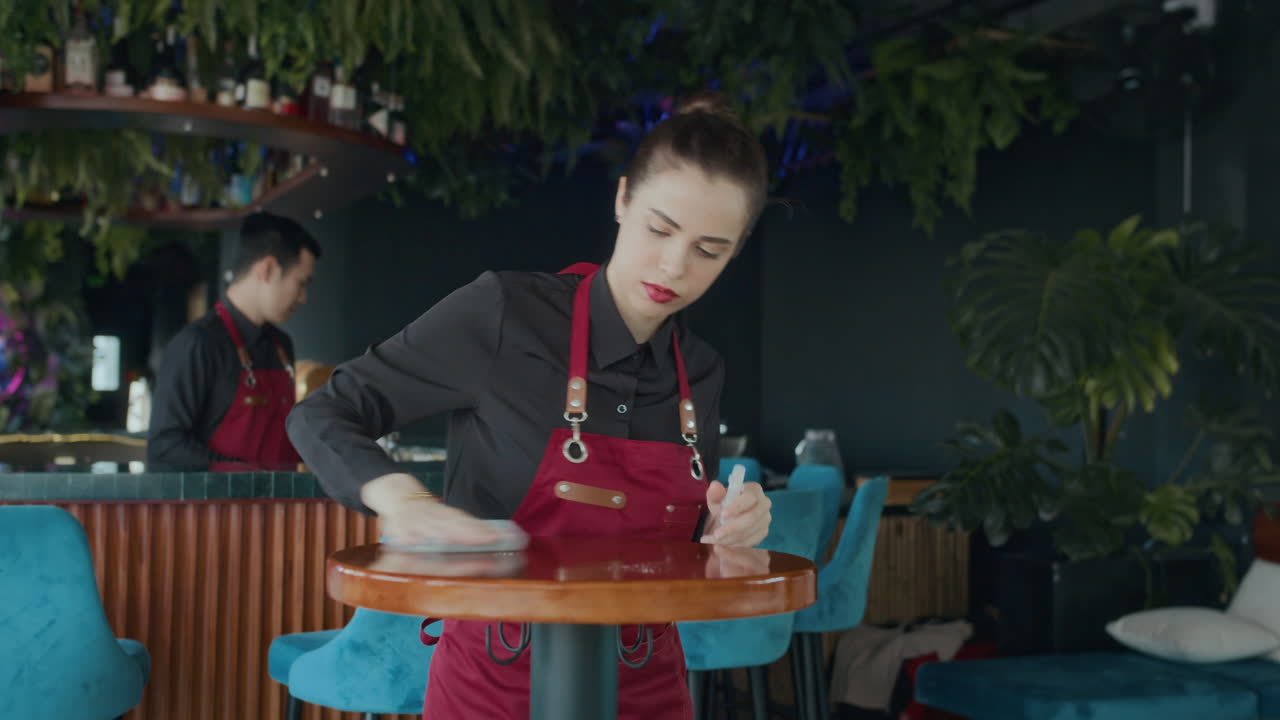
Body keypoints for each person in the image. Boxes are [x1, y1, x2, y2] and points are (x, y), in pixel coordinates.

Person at [286, 90, 773, 720]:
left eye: (710, 250)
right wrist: (401, 499)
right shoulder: (504, 315)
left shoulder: (700, 372)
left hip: (650, 686)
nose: (675, 265)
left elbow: (675, 546)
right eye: (660, 229)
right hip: (496, 683)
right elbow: (323, 412)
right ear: (622, 200)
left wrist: (727, 532)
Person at [147, 212, 320, 469]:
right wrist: (245, 477)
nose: (303, 297)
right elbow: (165, 448)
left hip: (280, 506)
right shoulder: (196, 344)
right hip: (217, 507)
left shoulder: (282, 346)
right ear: (268, 269)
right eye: (301, 283)